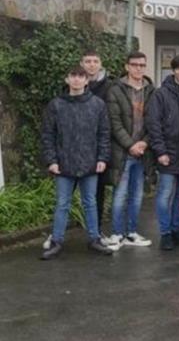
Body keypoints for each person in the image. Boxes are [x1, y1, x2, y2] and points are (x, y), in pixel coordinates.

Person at [40, 65, 114, 259]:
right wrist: (51, 160)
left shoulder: (97, 104)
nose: (76, 79)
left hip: (90, 163)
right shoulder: (56, 105)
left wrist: (102, 158)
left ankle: (94, 239)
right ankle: (56, 241)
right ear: (67, 80)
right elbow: (48, 135)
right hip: (63, 164)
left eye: (80, 76)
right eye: (73, 76)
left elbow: (104, 134)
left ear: (86, 80)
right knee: (62, 204)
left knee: (90, 203)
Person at [145, 55, 179, 251]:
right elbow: (153, 124)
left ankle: (176, 228)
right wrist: (160, 151)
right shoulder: (161, 94)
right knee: (165, 194)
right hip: (168, 153)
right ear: (173, 71)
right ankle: (165, 233)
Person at [105, 51, 155, 249]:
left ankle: (131, 233)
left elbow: (154, 121)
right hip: (123, 152)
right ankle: (116, 234)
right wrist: (131, 145)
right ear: (127, 66)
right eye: (135, 65)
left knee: (137, 196)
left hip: (143, 152)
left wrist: (144, 143)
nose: (139, 68)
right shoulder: (115, 90)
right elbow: (114, 122)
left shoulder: (151, 91)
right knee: (120, 194)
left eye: (142, 65)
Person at [81, 50, 114, 244]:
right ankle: (57, 234)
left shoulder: (110, 87)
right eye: (88, 61)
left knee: (98, 192)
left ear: (100, 64)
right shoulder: (72, 83)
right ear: (82, 63)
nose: (91, 65)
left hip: (98, 148)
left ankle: (97, 232)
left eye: (95, 61)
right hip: (74, 148)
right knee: (66, 195)